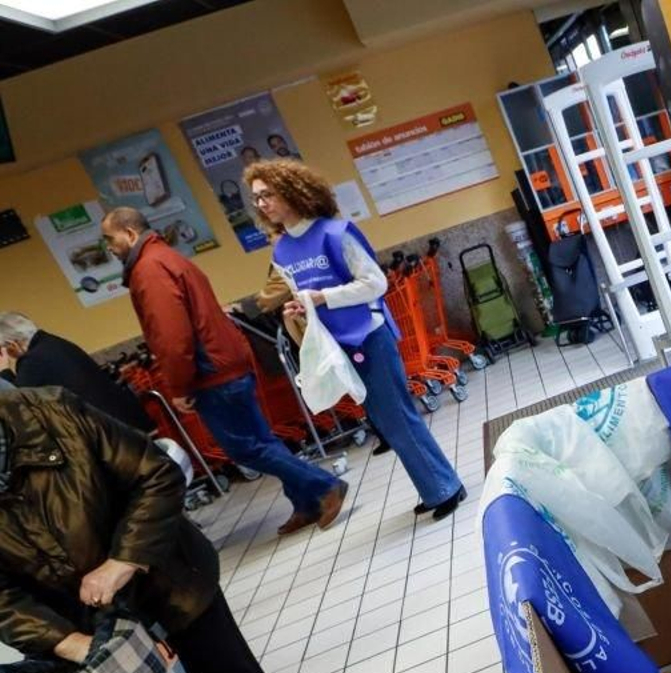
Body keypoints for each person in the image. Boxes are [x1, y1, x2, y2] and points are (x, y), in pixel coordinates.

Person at [0, 387, 333, 673]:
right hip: (82, 617)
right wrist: (64, 641)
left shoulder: (51, 410)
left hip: (165, 569)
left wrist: (123, 560)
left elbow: (156, 473)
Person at [102, 206, 348, 536]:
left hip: (211, 373)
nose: (109, 248)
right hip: (226, 362)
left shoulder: (149, 270)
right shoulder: (168, 258)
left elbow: (173, 337)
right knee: (261, 440)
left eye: (110, 239)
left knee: (245, 448)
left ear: (130, 234)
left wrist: (179, 387)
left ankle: (324, 486)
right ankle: (305, 502)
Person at [245, 159, 465, 519]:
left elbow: (375, 284)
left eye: (268, 194)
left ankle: (446, 488)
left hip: (369, 334)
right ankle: (434, 486)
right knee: (384, 417)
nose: (261, 204)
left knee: (397, 416)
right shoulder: (282, 251)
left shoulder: (335, 232)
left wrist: (323, 298)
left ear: (292, 191)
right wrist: (302, 308)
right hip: (339, 344)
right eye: (256, 198)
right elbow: (310, 294)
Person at [233, 265, 391, 455]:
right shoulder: (290, 254)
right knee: (357, 378)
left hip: (319, 328)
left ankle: (386, 432)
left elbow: (274, 294)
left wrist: (240, 307)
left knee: (358, 379)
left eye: (270, 236)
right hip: (322, 325)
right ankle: (384, 430)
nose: (269, 240)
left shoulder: (284, 259)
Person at [0, 312, 154, 433]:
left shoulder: (32, 360)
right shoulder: (52, 342)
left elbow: (19, 405)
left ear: (12, 345)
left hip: (111, 434)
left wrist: (4, 371)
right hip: (127, 419)